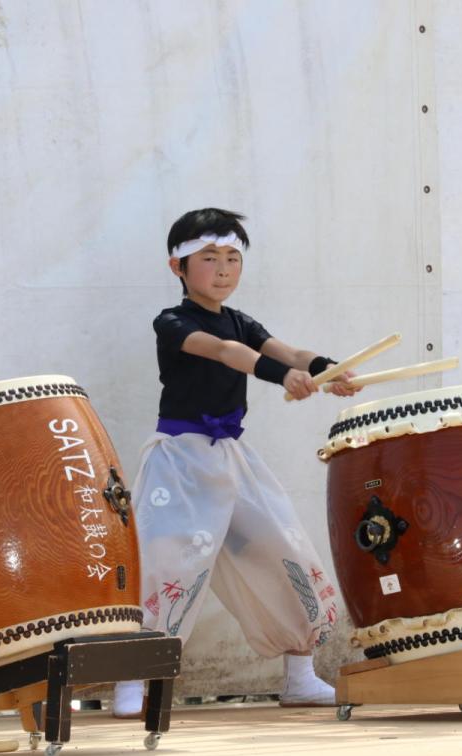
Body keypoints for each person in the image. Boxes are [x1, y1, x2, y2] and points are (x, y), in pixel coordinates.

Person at [112, 208, 358, 717]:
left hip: (231, 460)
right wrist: (279, 377)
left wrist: (328, 369)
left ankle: (300, 674)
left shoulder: (242, 320)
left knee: (281, 547)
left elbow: (287, 351)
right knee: (162, 567)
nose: (223, 268)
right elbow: (226, 352)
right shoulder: (173, 322)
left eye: (232, 258)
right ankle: (131, 681)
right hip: (180, 464)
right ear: (177, 266)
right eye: (209, 257)